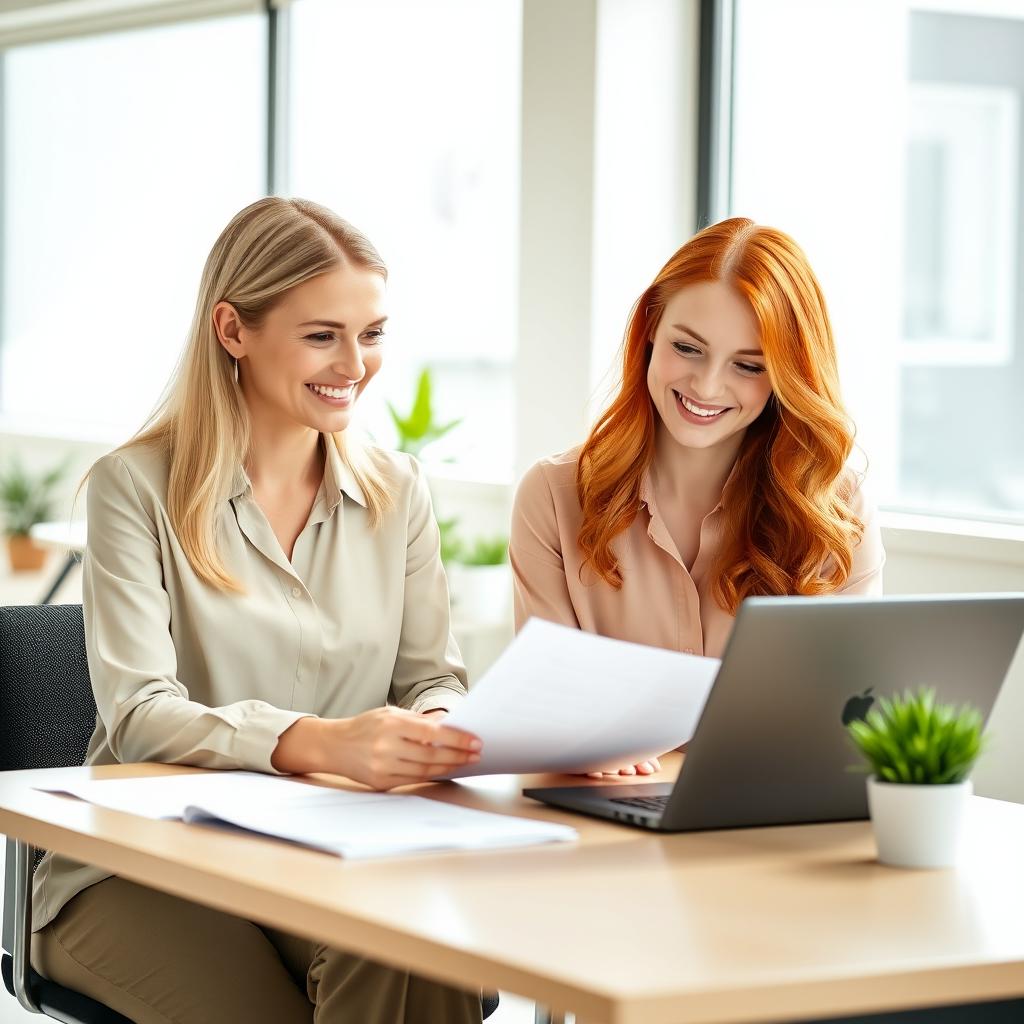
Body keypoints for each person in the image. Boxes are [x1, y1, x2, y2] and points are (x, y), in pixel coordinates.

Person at [31, 197, 486, 1024]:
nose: (355, 362)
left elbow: (432, 677)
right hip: (137, 866)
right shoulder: (134, 489)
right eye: (323, 335)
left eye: (373, 333)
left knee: (426, 959)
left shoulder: (399, 491)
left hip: (322, 851)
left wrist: (441, 727)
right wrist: (323, 742)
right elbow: (139, 714)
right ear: (233, 330)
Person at [510, 217, 884, 777]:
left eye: (749, 366)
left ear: (787, 375)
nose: (707, 387)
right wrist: (584, 735)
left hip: (767, 816)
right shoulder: (554, 495)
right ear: (650, 333)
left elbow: (849, 714)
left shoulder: (834, 505)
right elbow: (548, 706)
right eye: (688, 348)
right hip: (605, 823)